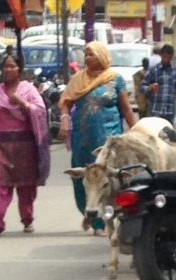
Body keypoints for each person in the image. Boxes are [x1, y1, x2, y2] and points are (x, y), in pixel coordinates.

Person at [58, 41, 136, 233]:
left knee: (110, 179)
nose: (87, 58)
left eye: (91, 54)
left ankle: (114, 216)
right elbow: (66, 102)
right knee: (83, 178)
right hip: (82, 137)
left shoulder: (115, 79)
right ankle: (94, 220)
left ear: (102, 56)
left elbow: (125, 108)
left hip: (109, 140)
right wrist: (65, 119)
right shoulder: (78, 79)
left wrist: (136, 131)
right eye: (86, 54)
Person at [0, 54, 49, 236]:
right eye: (5, 67)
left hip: (24, 145)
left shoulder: (29, 90)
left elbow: (40, 112)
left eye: (12, 66)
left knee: (26, 185)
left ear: (19, 69)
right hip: (0, 144)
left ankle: (27, 218)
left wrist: (23, 103)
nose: (8, 70)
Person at [140, 44, 176, 126]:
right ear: (160, 55)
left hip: (169, 112)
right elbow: (142, 86)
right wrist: (149, 88)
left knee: (168, 137)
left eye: (169, 57)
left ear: (172, 57)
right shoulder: (154, 70)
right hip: (155, 111)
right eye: (164, 56)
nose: (166, 59)